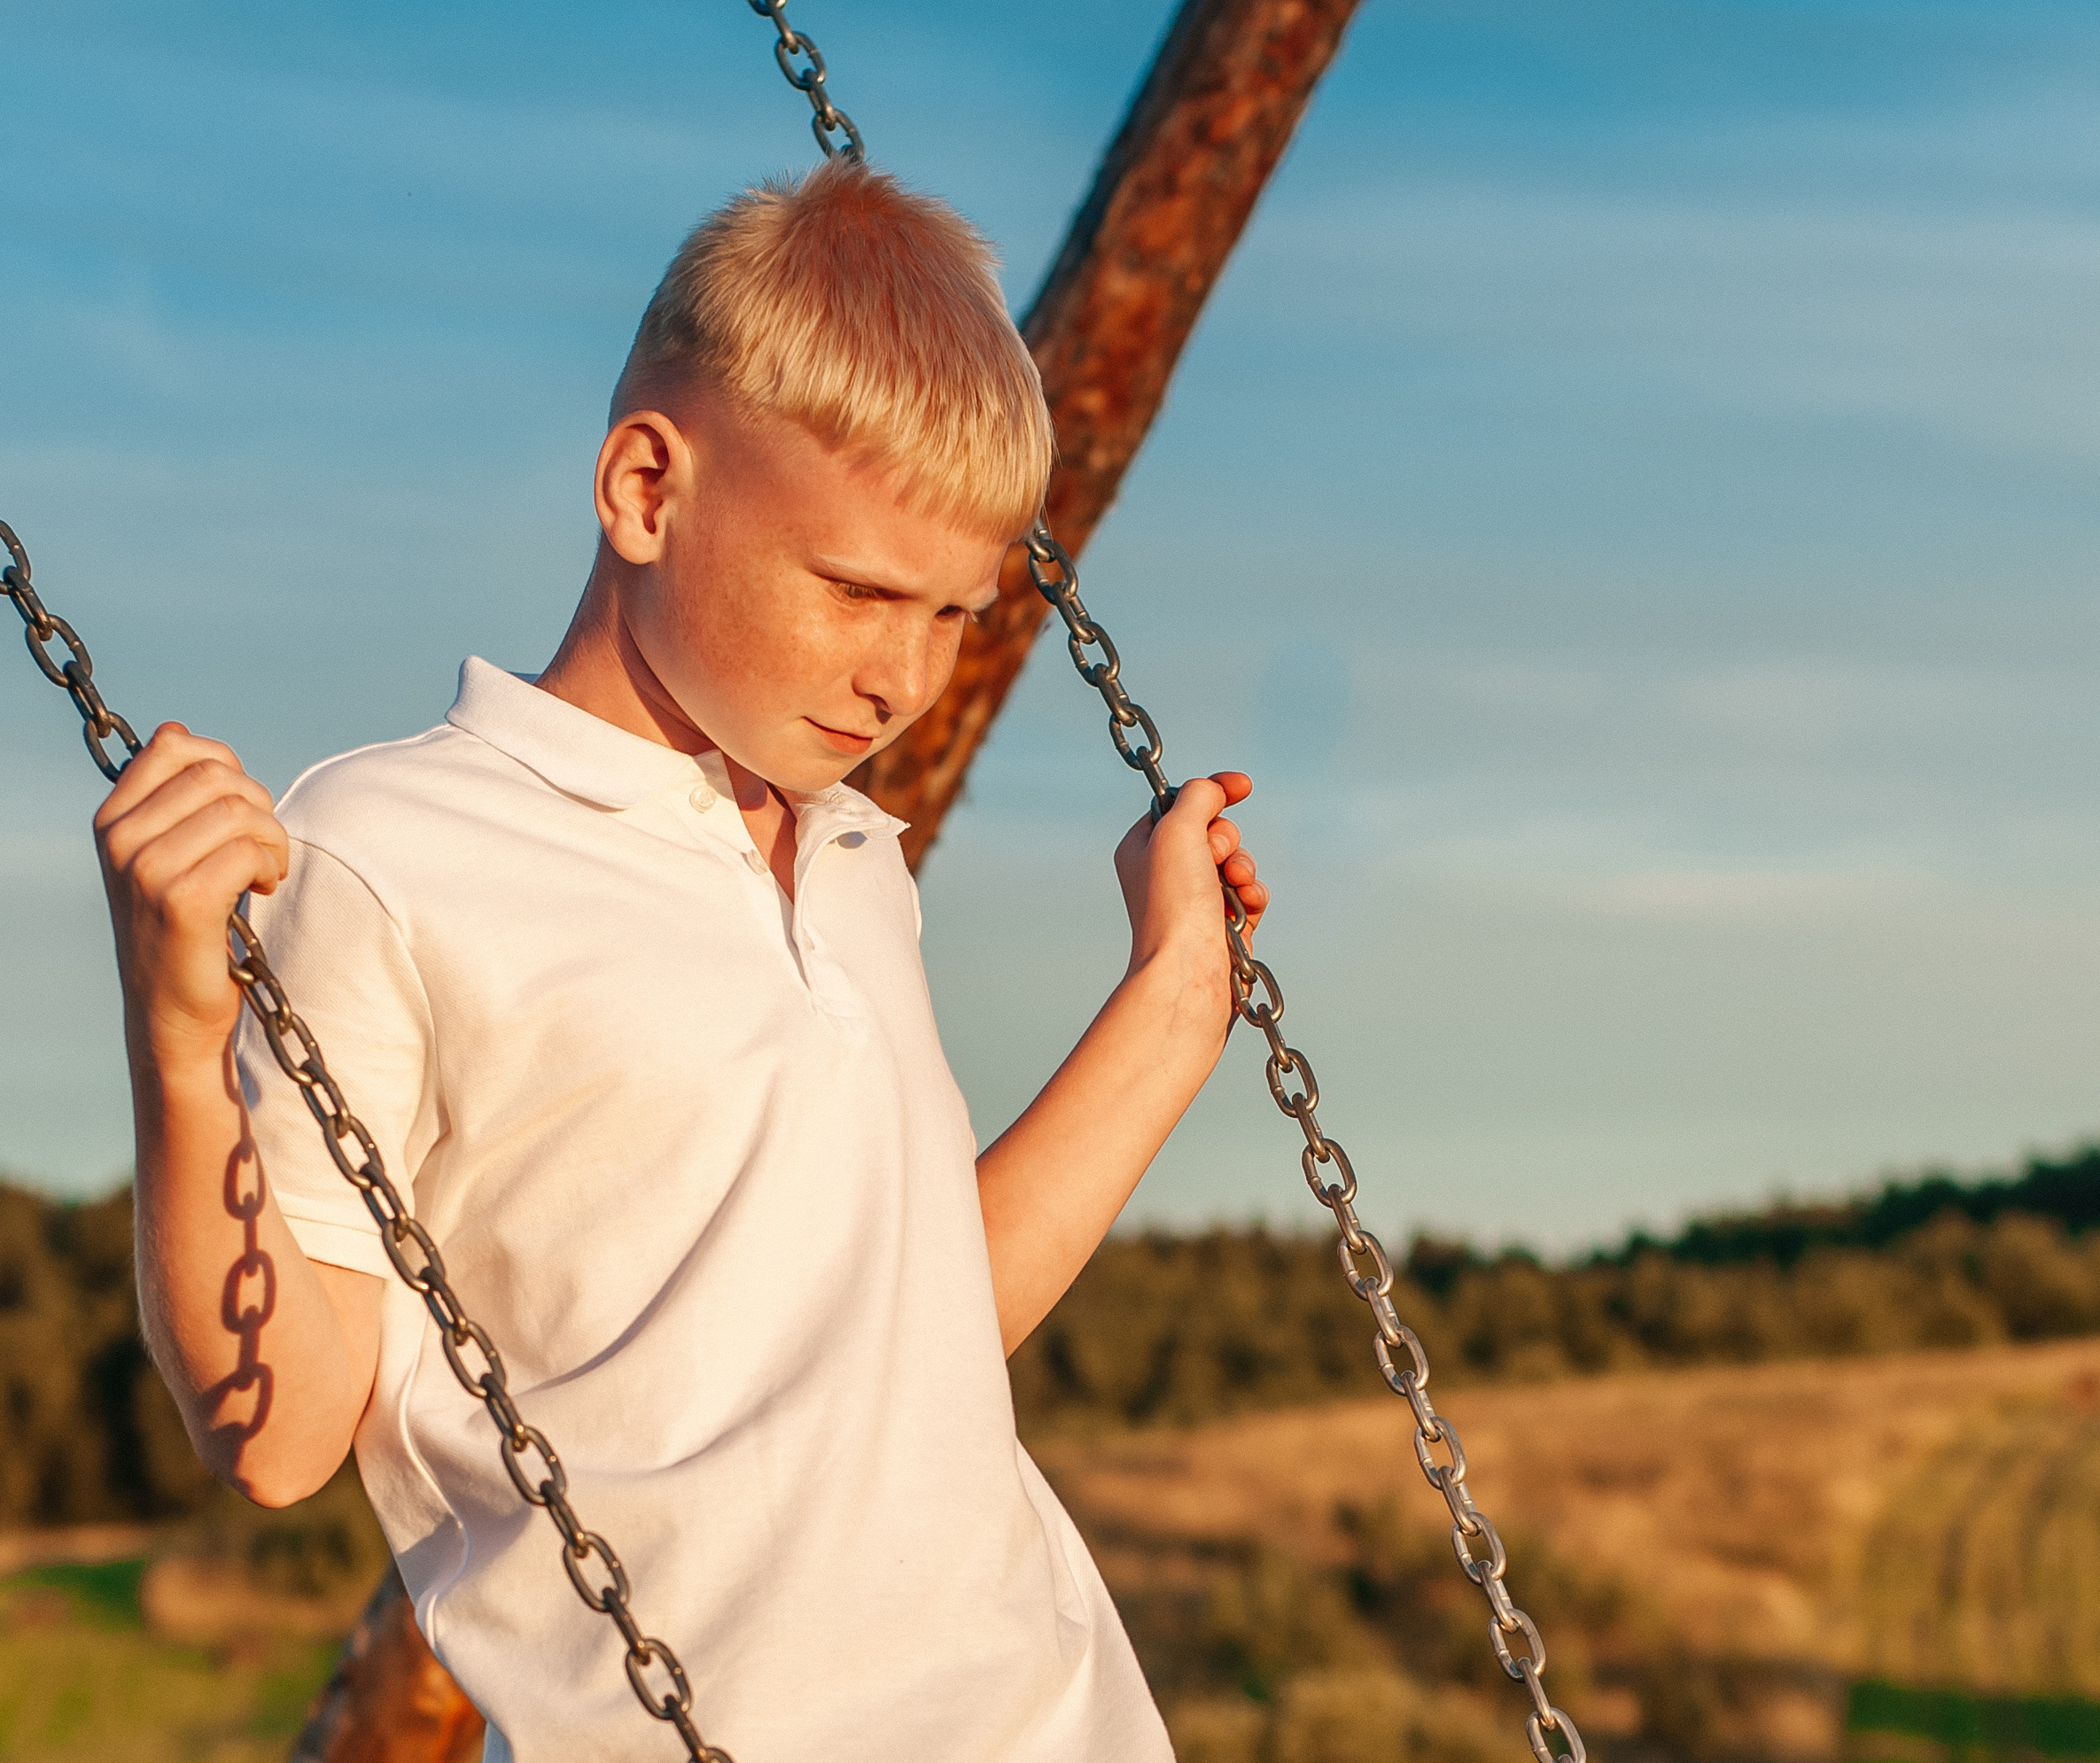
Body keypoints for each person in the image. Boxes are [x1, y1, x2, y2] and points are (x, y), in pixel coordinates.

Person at [95, 158, 1268, 1761]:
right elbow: (283, 1431)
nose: (903, 676)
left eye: (956, 617)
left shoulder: (853, 857)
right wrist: (178, 1041)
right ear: (647, 489)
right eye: (858, 590)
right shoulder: (387, 850)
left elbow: (917, 1318)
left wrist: (1175, 1002)